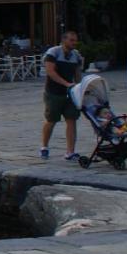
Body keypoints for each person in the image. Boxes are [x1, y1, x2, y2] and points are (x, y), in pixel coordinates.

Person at [40, 30, 83, 161]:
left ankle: (70, 152)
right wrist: (66, 84)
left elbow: (77, 75)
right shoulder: (53, 52)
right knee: (51, 120)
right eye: (71, 40)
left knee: (71, 120)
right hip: (53, 92)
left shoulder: (75, 55)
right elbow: (50, 72)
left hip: (70, 93)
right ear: (64, 40)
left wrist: (80, 87)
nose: (74, 43)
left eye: (75, 40)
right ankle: (44, 146)